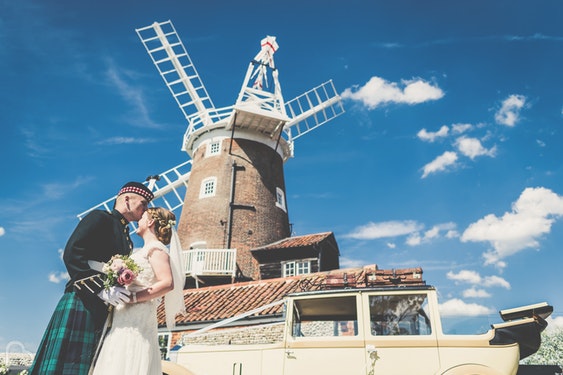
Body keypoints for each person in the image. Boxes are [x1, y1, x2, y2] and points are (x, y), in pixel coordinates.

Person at [30, 181, 154, 375]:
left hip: (103, 305)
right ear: (127, 199)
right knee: (66, 363)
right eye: (144, 203)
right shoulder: (100, 217)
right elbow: (72, 253)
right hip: (81, 297)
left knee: (87, 365)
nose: (146, 209)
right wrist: (100, 289)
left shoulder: (127, 238)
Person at [91, 207, 186, 375]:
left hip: (137, 316)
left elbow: (167, 283)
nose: (138, 220)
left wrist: (133, 298)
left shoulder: (156, 248)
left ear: (150, 222)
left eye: (142, 217)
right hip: (124, 316)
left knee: (130, 356)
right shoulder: (143, 250)